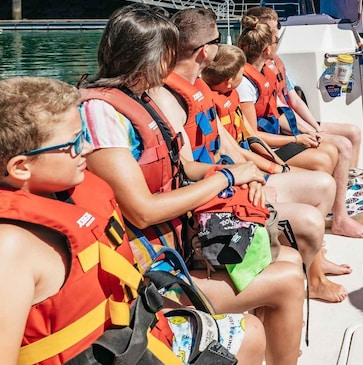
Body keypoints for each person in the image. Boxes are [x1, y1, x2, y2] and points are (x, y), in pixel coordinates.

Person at [80, 4, 305, 365]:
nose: (171, 64)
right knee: (289, 281)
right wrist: (227, 177)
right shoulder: (101, 114)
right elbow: (142, 210)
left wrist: (245, 173)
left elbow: (182, 166)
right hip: (148, 277)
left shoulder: (142, 100)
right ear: (148, 56)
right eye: (167, 53)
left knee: (291, 259)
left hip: (176, 248)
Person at [0, 76, 265, 364]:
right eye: (75, 142)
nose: (88, 148)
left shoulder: (72, 190)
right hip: (99, 352)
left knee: (250, 332)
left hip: (130, 333)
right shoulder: (10, 248)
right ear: (21, 167)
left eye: (85, 134)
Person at [201, 44, 352, 302]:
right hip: (233, 179)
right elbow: (242, 147)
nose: (245, 77)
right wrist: (266, 169)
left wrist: (273, 166)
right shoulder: (211, 101)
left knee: (325, 184)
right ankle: (313, 277)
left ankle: (316, 262)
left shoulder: (227, 97)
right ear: (230, 81)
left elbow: (246, 140)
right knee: (320, 174)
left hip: (250, 166)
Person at [236, 15, 363, 238]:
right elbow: (253, 137)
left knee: (334, 149)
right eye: (275, 39)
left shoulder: (266, 71)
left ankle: (338, 211)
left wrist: (309, 131)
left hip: (278, 136)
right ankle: (329, 215)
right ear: (266, 50)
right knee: (329, 155)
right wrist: (297, 138)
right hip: (268, 150)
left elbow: (279, 111)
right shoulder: (245, 83)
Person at [242, 5, 363, 169]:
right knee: (341, 146)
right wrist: (307, 133)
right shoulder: (248, 78)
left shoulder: (273, 64)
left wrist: (316, 128)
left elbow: (294, 100)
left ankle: (351, 183)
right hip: (282, 128)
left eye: (277, 27)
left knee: (354, 132)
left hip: (292, 122)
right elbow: (279, 112)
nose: (277, 33)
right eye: (273, 30)